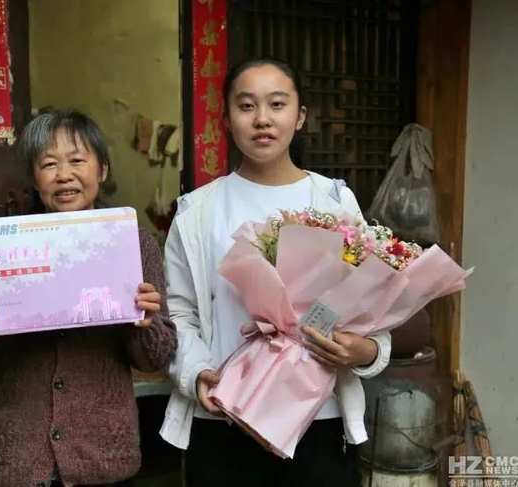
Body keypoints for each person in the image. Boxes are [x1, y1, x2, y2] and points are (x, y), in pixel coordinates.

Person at [160, 58, 392, 486]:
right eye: (246, 106)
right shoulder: (198, 210)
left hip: (318, 418)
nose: (262, 119)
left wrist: (367, 351)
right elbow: (179, 311)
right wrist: (196, 373)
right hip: (226, 411)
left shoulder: (333, 201)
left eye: (277, 104)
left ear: (300, 116)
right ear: (226, 119)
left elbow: (370, 305)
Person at [0, 110, 177, 487]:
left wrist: (144, 325)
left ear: (103, 170)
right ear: (35, 178)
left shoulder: (133, 244)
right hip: (16, 460)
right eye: (49, 164)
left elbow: (156, 356)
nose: (64, 174)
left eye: (77, 160)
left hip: (102, 459)